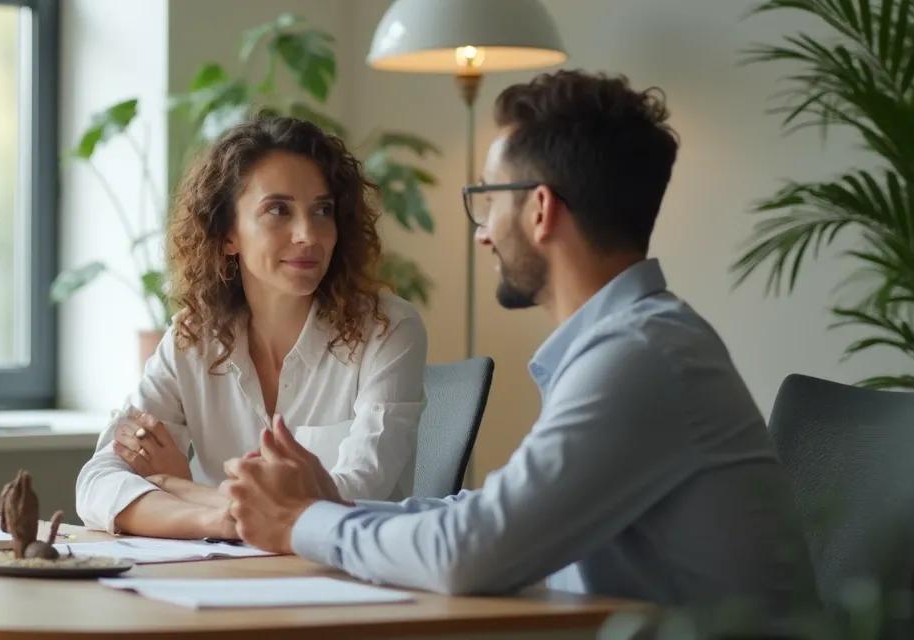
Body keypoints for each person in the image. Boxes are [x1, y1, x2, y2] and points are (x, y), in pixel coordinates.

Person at [222, 71, 819, 611]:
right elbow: (488, 516)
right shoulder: (629, 345)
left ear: (539, 210)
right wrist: (335, 508)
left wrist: (302, 521)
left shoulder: (641, 357)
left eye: (487, 198)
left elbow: (470, 552)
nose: (482, 234)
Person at [74, 116, 428, 539]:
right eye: (278, 210)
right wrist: (213, 519)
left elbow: (345, 501)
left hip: (347, 589)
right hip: (218, 585)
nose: (307, 235)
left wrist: (178, 486)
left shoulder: (388, 330)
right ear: (228, 235)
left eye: (322, 211)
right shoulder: (193, 338)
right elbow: (96, 483)